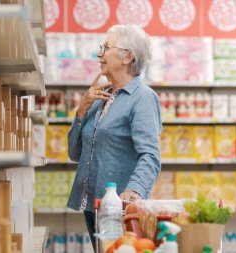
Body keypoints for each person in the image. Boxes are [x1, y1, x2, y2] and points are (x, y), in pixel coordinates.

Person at [66, 24, 162, 249]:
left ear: (128, 56)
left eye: (106, 47)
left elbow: (150, 155)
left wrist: (133, 191)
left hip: (121, 207)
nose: (99, 53)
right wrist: (81, 111)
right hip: (93, 203)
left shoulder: (143, 98)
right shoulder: (101, 96)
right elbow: (74, 153)